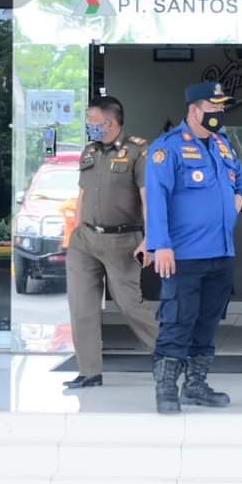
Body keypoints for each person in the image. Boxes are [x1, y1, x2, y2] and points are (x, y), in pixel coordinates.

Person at [146, 81, 242, 413]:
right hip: (183, 255)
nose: (219, 112)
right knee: (178, 320)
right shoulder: (168, 148)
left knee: (207, 322)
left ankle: (195, 385)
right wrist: (161, 245)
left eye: (222, 107)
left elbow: (240, 179)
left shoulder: (223, 145)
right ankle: (166, 389)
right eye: (212, 107)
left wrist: (239, 200)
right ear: (193, 109)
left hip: (222, 251)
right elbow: (156, 198)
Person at [63, 95, 158, 389]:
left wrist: (150, 239)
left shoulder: (138, 151)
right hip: (85, 239)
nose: (89, 125)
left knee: (130, 305)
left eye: (93, 120)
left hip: (123, 240)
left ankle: (169, 355)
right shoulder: (89, 151)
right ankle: (89, 371)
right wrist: (74, 232)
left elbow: (148, 199)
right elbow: (82, 195)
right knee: (81, 305)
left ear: (110, 122)